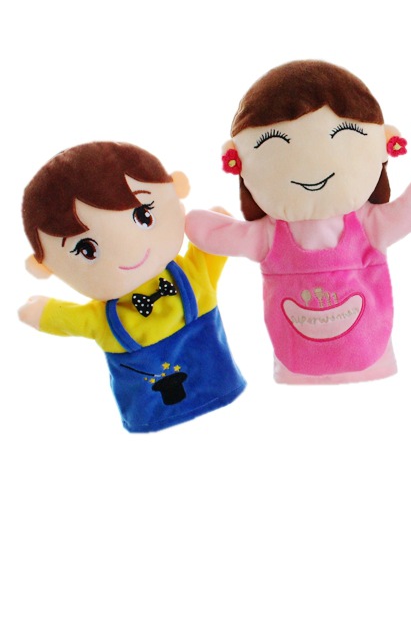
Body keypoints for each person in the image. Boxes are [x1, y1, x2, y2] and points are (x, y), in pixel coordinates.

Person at [185, 59, 411, 384]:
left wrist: (205, 226)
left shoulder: (364, 221)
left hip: (366, 359)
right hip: (303, 363)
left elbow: (213, 232)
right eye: (274, 143)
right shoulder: (275, 232)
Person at [19, 141, 246, 433]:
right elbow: (69, 318)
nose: (127, 251)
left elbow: (214, 249)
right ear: (45, 267)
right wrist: (216, 227)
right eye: (87, 249)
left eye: (143, 215)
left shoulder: (193, 275)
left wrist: (214, 228)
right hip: (156, 415)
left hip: (217, 393)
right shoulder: (192, 276)